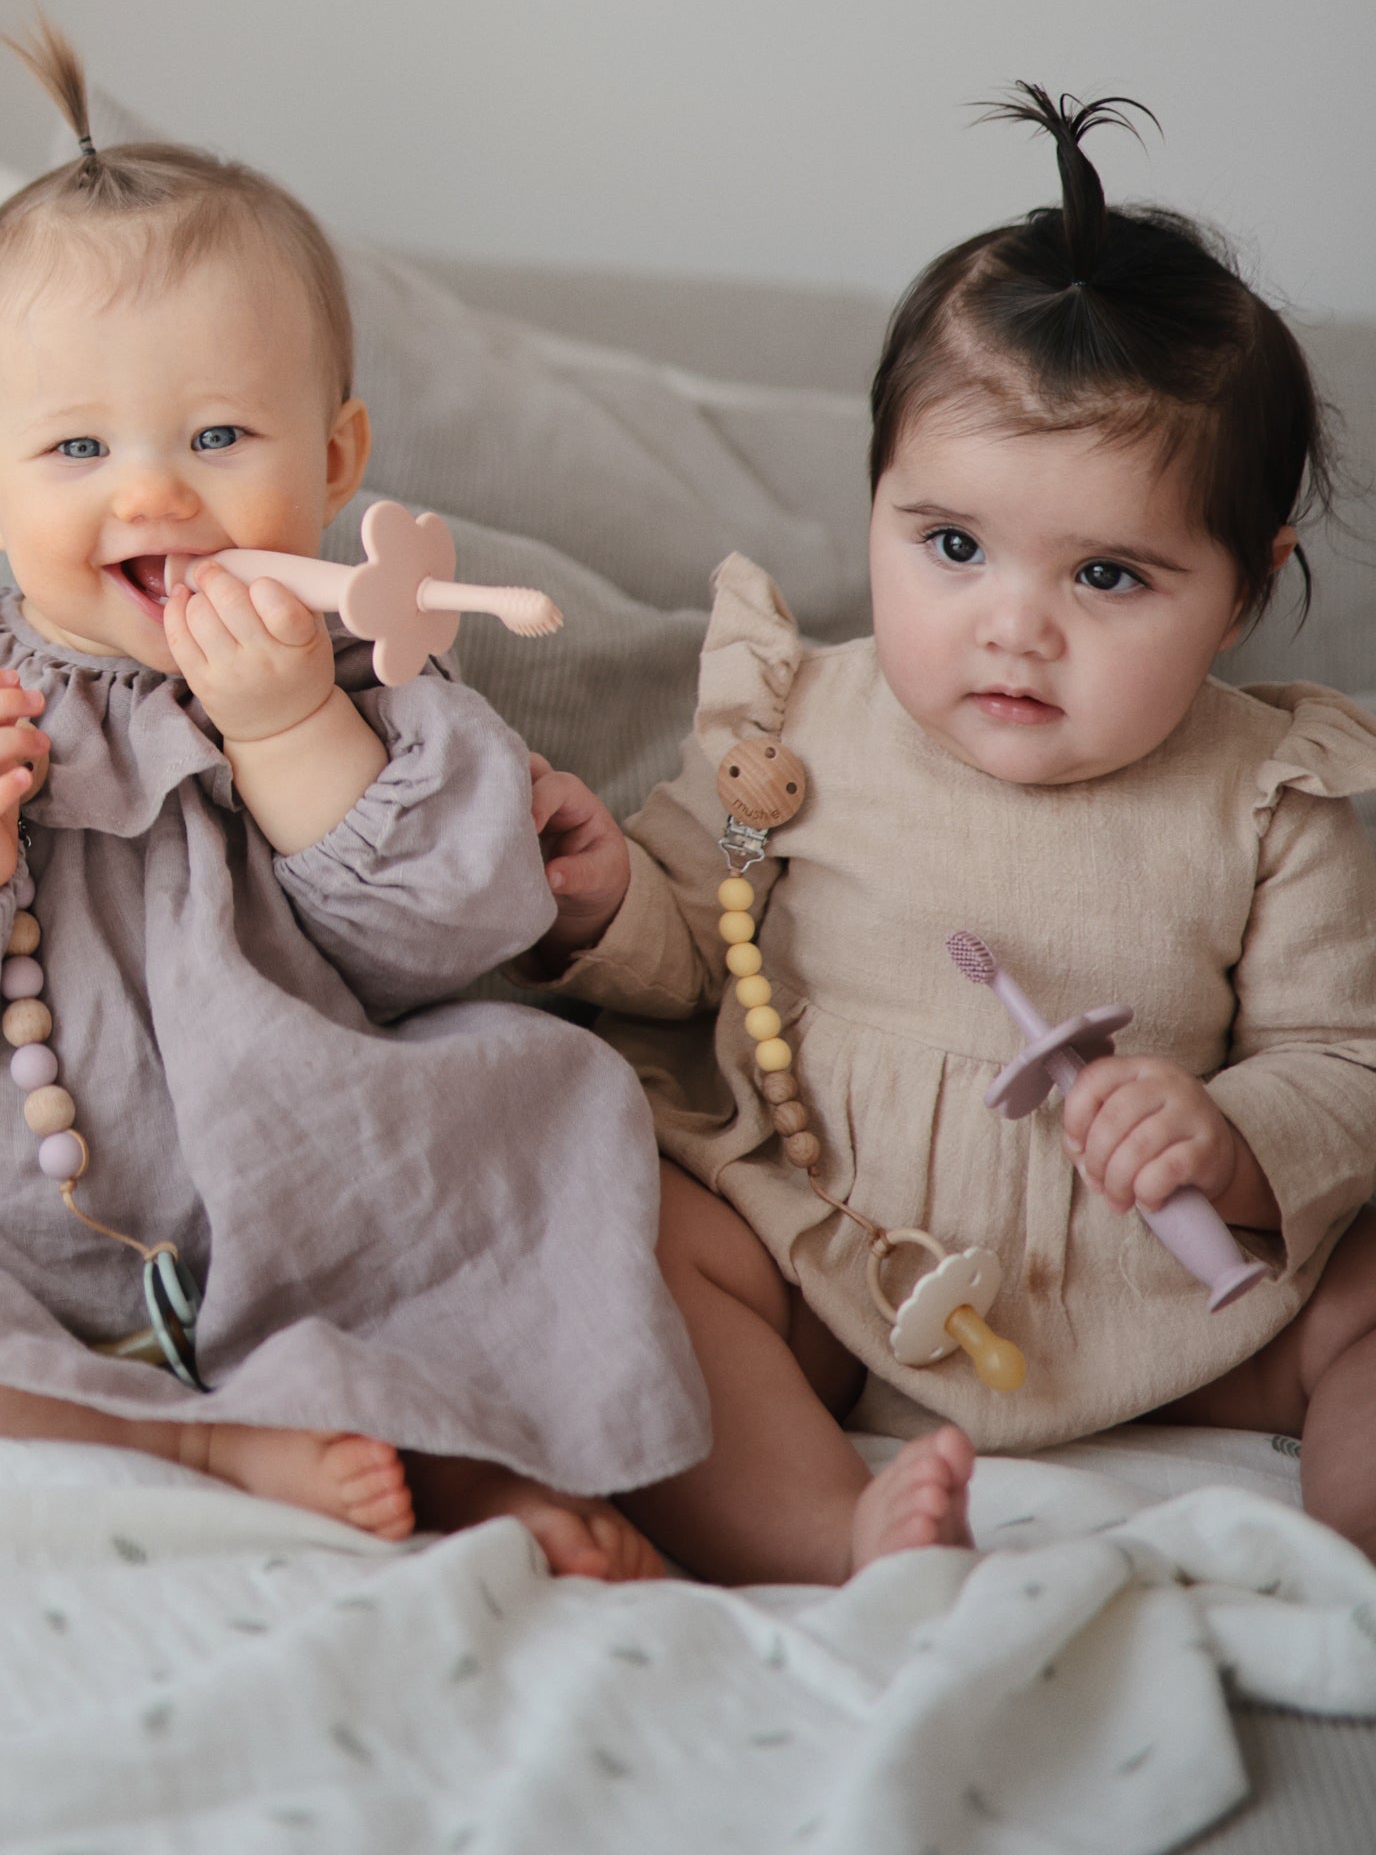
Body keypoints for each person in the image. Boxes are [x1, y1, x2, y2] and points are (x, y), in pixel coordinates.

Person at [0, 22, 706, 1577]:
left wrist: (289, 729)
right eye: (77, 446)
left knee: (555, 1133)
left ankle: (465, 1463)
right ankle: (178, 1445)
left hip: (318, 1221)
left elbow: (446, 930)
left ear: (337, 459)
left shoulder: (358, 674)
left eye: (220, 437)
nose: (153, 492)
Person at [527, 86, 1376, 1585]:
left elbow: (1347, 1060)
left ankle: (1353, 1548)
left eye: (1106, 576)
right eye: (955, 545)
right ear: (877, 507)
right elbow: (693, 950)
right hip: (840, 1259)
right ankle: (826, 1531)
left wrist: (1235, 1137)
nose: (1013, 628)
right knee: (634, 1232)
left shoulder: (1269, 797)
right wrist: (601, 900)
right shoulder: (795, 725)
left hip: (1179, 1294)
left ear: (1245, 589)